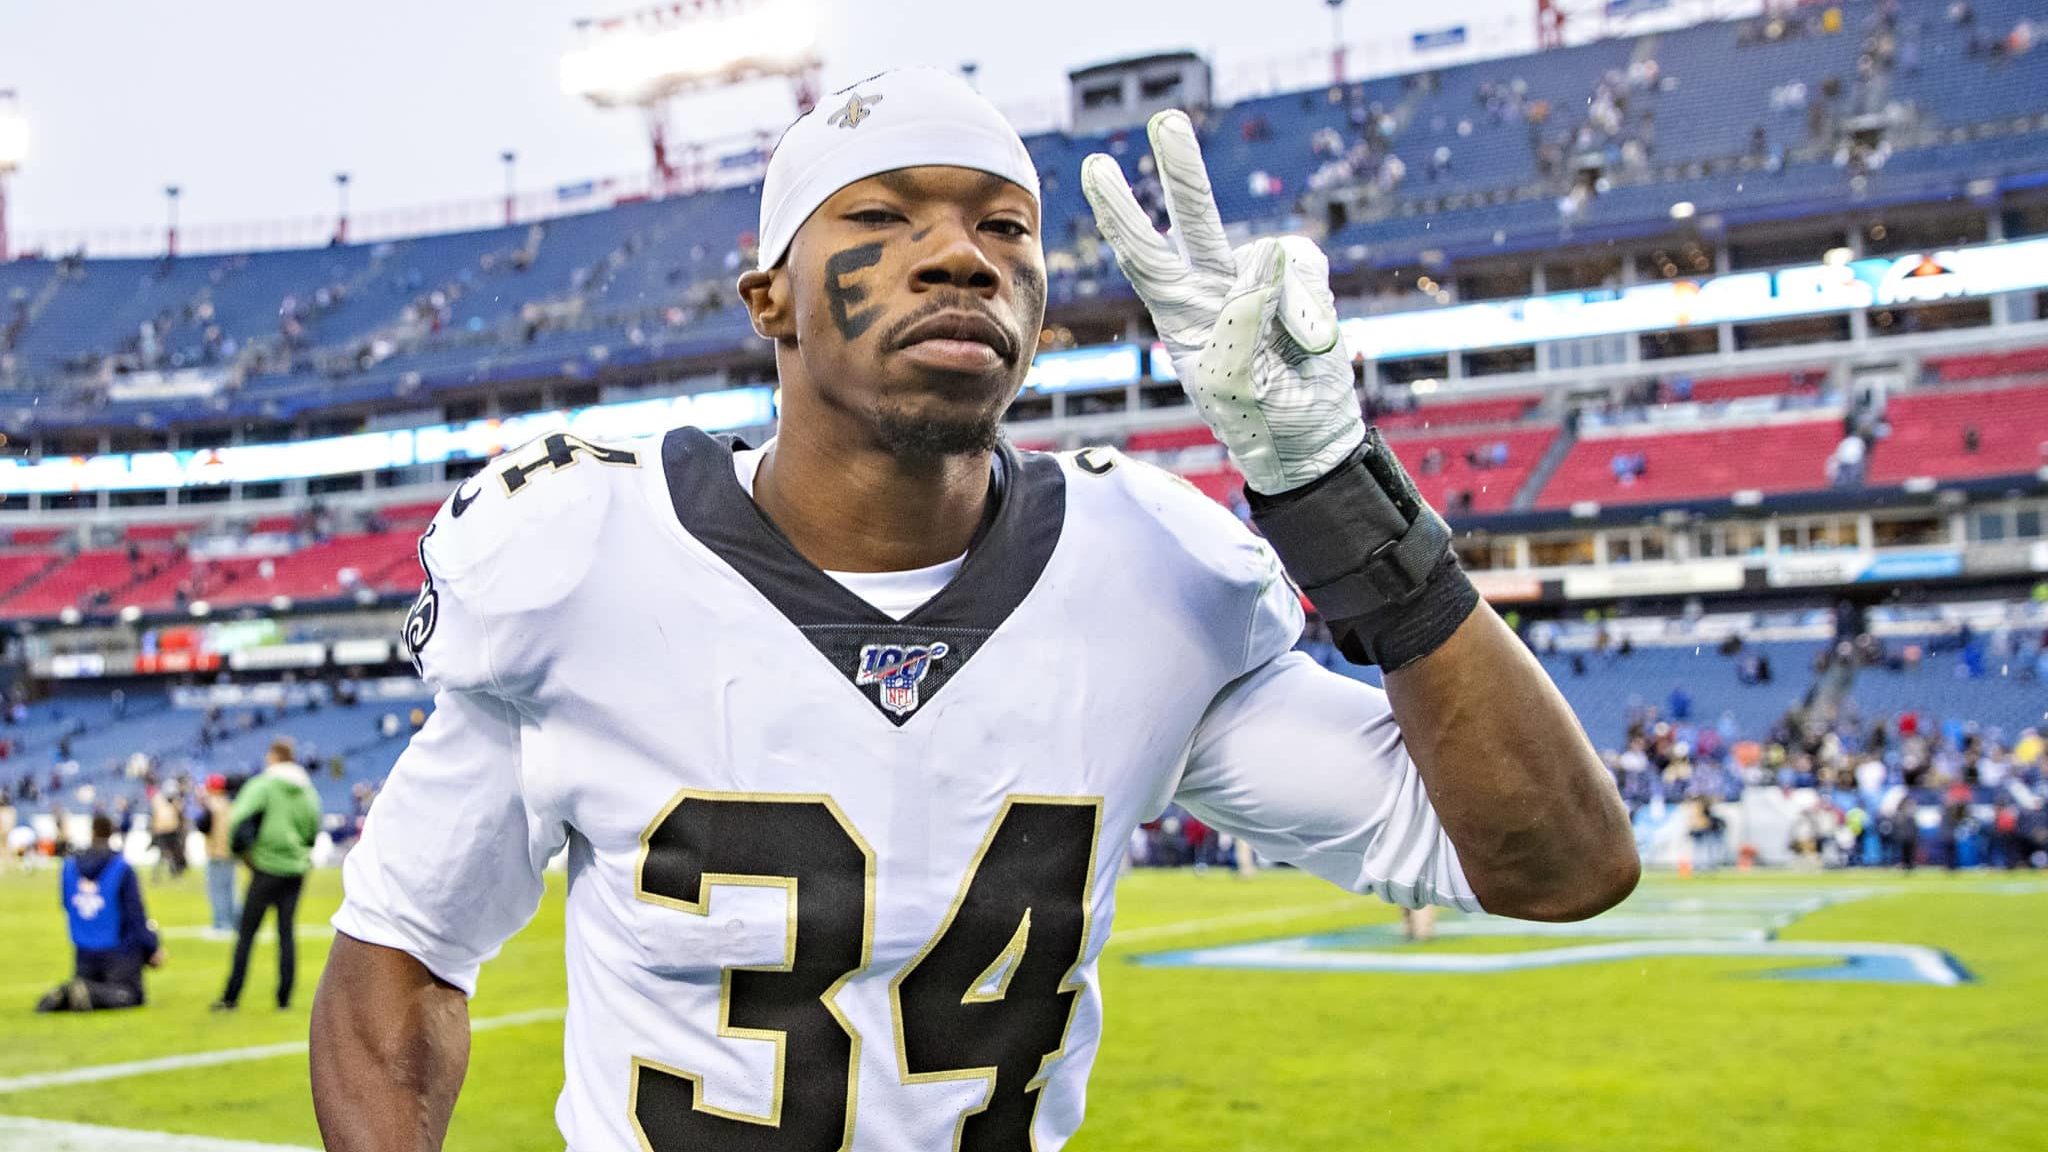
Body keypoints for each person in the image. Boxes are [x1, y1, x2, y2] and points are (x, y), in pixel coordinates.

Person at [311, 75, 1636, 1152]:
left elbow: (1558, 868)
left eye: (1007, 228)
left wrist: (1334, 489)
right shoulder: (586, 569)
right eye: (881, 218)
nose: (958, 253)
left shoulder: (1150, 578)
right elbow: (400, 959)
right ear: (767, 295)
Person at [213, 739, 320, 1012]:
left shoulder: (263, 785)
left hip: (265, 868)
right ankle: (284, 998)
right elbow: (312, 829)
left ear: (273, 757)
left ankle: (231, 996)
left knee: (247, 935)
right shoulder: (308, 791)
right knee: (286, 933)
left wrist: (245, 853)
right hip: (295, 869)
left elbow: (239, 819)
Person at [36, 814, 164, 1012]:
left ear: (92, 832)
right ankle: (88, 992)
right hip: (118, 951)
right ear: (111, 832)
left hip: (83, 950)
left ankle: (68, 994)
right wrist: (151, 947)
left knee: (86, 987)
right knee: (130, 995)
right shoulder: (121, 868)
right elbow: (135, 915)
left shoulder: (70, 867)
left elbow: (66, 904)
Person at [198, 774, 240, 936]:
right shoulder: (231, 804)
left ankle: (222, 925)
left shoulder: (211, 805)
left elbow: (203, 826)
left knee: (217, 891)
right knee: (231, 890)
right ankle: (236, 923)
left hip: (216, 853)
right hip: (230, 852)